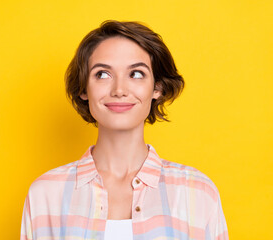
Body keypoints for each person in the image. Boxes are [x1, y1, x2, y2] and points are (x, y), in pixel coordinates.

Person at [20, 20, 228, 240]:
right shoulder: (45, 195)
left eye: (136, 74)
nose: (119, 90)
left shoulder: (198, 193)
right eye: (102, 74)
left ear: (157, 87)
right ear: (84, 88)